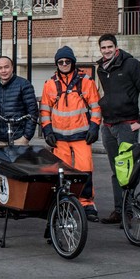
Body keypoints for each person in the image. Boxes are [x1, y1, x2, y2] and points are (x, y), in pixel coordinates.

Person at [95, 34, 140, 224]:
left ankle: (128, 212)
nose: (107, 50)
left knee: (127, 170)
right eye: (103, 48)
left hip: (127, 125)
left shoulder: (131, 64)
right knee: (116, 170)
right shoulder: (101, 69)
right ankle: (118, 210)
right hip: (109, 125)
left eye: (109, 47)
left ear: (116, 47)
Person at [40, 46, 102, 222]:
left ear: (73, 62)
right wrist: (47, 130)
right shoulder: (50, 84)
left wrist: (94, 127)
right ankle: (65, 202)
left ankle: (87, 203)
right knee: (63, 173)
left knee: (85, 171)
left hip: (82, 136)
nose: (64, 64)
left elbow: (96, 107)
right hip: (59, 138)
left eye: (67, 61)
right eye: (61, 62)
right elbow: (44, 110)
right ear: (57, 64)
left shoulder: (86, 81)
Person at [0, 56, 38, 146]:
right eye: (0, 68)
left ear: (12, 67)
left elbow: (33, 112)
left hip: (18, 139)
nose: (3, 71)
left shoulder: (24, 84)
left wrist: (26, 137)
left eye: (6, 67)